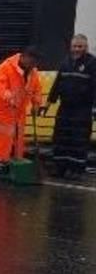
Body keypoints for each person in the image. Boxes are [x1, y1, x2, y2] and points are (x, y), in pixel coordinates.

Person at [0, 45, 44, 170]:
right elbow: (0, 86)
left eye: (35, 63)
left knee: (15, 139)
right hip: (1, 110)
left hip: (17, 111)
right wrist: (10, 98)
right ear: (25, 57)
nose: (34, 66)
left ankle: (8, 162)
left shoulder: (33, 72)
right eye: (32, 62)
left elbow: (36, 90)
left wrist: (37, 104)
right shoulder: (6, 67)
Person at [42, 34, 95, 179]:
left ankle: (76, 169)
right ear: (71, 47)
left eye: (80, 46)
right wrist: (47, 103)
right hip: (64, 109)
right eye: (75, 46)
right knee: (61, 137)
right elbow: (57, 84)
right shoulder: (65, 62)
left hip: (82, 110)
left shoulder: (92, 63)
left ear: (86, 47)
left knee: (78, 140)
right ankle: (59, 167)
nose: (77, 49)